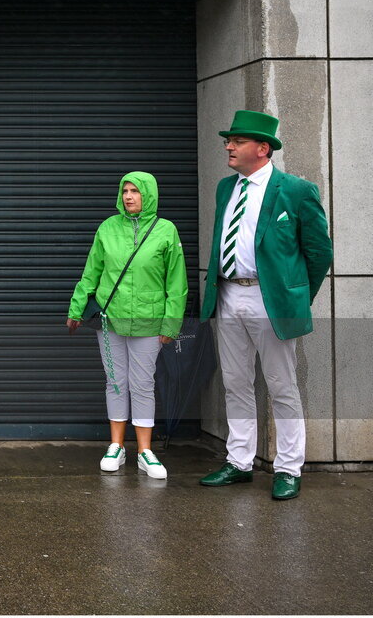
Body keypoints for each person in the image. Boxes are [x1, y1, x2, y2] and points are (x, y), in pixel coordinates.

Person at [198, 110, 333, 500]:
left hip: (269, 299)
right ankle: (239, 461)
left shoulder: (295, 190)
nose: (229, 146)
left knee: (281, 385)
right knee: (235, 383)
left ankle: (289, 468)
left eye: (237, 142)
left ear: (262, 148)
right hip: (228, 293)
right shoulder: (226, 187)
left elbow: (319, 252)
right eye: (229, 140)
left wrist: (294, 298)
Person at [67, 172, 188, 479]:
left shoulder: (165, 231)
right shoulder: (108, 228)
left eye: (136, 191)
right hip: (111, 319)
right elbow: (91, 272)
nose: (129, 196)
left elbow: (176, 282)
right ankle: (116, 445)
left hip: (149, 320)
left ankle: (145, 452)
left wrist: (171, 324)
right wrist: (76, 308)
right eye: (125, 191)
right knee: (116, 381)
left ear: (149, 195)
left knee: (143, 384)